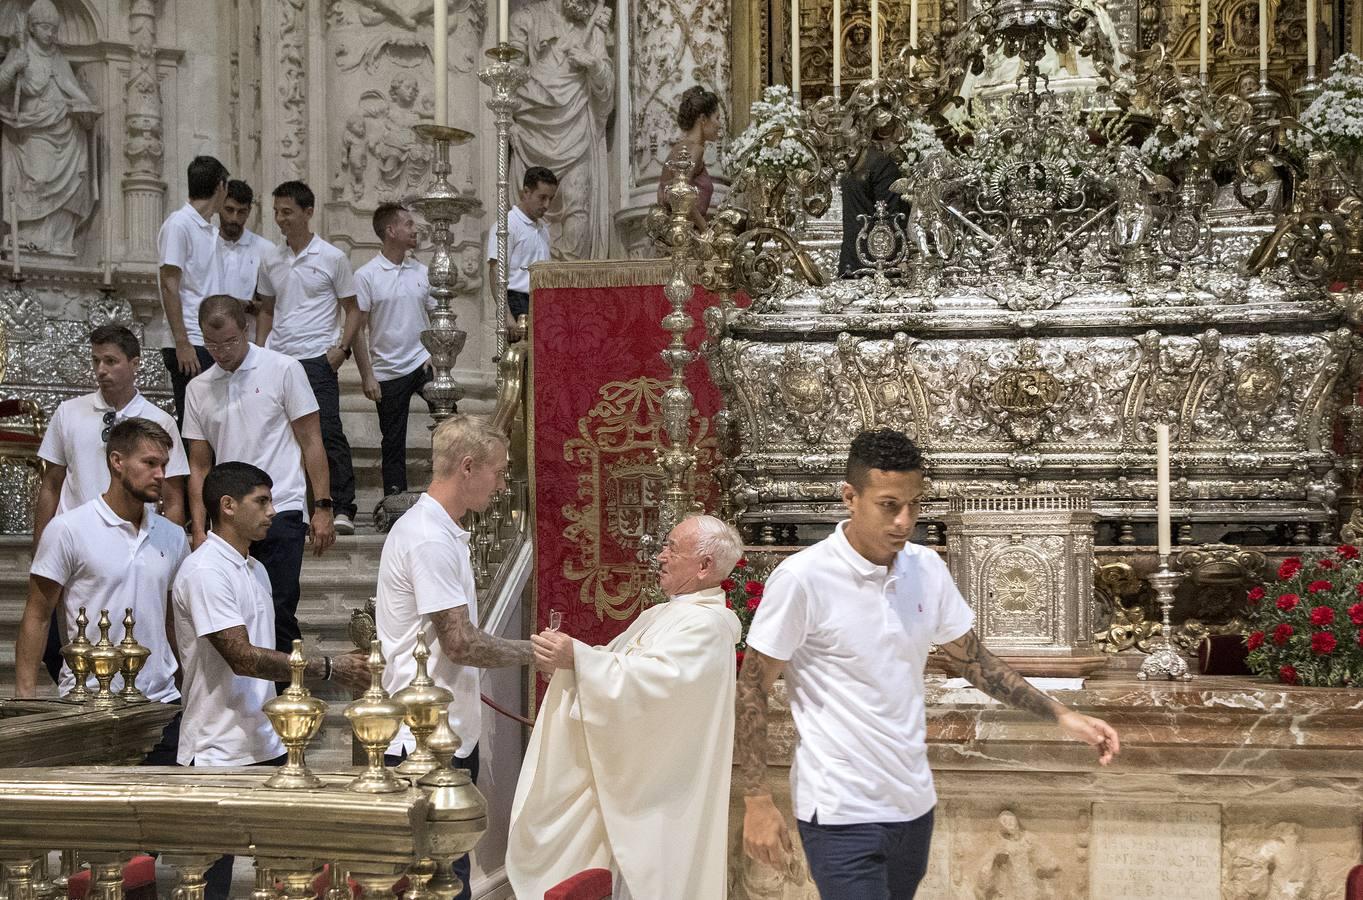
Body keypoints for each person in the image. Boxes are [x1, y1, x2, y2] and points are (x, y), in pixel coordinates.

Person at [737, 428, 1121, 900]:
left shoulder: (927, 568)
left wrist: (1063, 714)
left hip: (912, 803)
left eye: (915, 505)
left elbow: (972, 660)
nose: (904, 521)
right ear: (850, 498)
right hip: (840, 808)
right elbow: (752, 687)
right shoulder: (802, 578)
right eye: (889, 504)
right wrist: (756, 799)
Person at [507, 514, 743, 900]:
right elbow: (615, 661)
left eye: (672, 548)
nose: (661, 556)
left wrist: (579, 661)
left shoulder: (708, 627)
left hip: (661, 795)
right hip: (635, 780)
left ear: (704, 567)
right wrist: (569, 665)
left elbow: (657, 687)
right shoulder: (661, 614)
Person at [173, 460, 367, 900]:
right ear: (227, 506)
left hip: (267, 741)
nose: (272, 511)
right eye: (261, 501)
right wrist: (330, 668)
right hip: (216, 749)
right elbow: (241, 658)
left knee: (290, 873)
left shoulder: (254, 569)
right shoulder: (207, 571)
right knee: (207, 884)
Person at [375, 414, 533, 900]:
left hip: (445, 729)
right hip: (419, 738)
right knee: (437, 878)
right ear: (467, 467)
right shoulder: (428, 537)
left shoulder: (442, 531)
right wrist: (536, 653)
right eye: (499, 472)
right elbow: (460, 642)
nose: (502, 485)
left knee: (448, 868)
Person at [15, 419, 188, 771]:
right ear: (117, 461)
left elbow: (173, 620)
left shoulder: (172, 537)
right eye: (150, 463)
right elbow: (37, 614)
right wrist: (25, 700)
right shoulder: (69, 529)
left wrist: (188, 686)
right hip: (88, 701)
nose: (160, 474)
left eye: (164, 466)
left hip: (160, 703)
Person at [32, 323, 190, 684]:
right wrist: (42, 544)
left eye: (111, 361)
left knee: (141, 632)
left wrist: (173, 551)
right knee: (65, 641)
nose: (101, 370)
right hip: (76, 543)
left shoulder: (159, 419)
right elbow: (51, 484)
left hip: (138, 538)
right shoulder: (69, 412)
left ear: (134, 364)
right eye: (96, 361)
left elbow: (174, 496)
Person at [183, 296, 334, 660]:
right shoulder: (198, 388)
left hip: (278, 508)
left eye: (230, 341)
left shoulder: (282, 369)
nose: (221, 351)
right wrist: (199, 528)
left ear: (246, 329)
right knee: (235, 613)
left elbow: (311, 440)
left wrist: (323, 506)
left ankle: (289, 702)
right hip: (228, 518)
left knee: (278, 609)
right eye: (212, 344)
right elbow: (199, 465)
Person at [255, 180, 367, 535]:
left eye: (287, 212)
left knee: (328, 430)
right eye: (276, 212)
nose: (280, 219)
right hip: (279, 359)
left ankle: (342, 506)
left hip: (317, 357)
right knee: (284, 435)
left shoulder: (332, 257)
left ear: (308, 212)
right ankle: (296, 508)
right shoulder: (271, 258)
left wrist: (341, 350)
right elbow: (266, 311)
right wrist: (259, 354)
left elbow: (353, 309)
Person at [509, 0, 613, 259]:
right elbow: (509, 76)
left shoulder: (593, 24)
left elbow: (607, 88)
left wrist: (593, 63)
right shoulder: (525, 19)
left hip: (576, 122)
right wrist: (508, 121)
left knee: (578, 204)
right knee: (527, 216)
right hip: (532, 125)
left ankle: (570, 287)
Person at [0, 0, 98, 256]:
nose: (51, 34)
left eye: (54, 29)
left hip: (65, 133)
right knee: (39, 179)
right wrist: (11, 68)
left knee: (75, 180)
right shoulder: (20, 52)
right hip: (32, 132)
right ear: (31, 27)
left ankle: (55, 239)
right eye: (45, 28)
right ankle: (27, 236)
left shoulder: (58, 58)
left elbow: (72, 88)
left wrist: (86, 107)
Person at [354, 202, 435, 496]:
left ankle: (444, 491)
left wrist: (435, 356)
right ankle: (395, 505)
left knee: (448, 422)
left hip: (423, 363)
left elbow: (439, 318)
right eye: (409, 224)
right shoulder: (366, 275)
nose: (415, 229)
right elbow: (357, 331)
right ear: (391, 230)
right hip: (387, 370)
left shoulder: (423, 272)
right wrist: (367, 376)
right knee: (392, 441)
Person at [158, 155, 229, 424]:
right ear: (220, 186)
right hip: (190, 342)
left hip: (209, 339)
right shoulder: (179, 224)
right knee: (195, 423)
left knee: (213, 422)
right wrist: (182, 342)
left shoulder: (209, 230)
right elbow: (169, 284)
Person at [486, 167, 556, 328]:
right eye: (542, 197)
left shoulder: (543, 230)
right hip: (518, 302)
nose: (547, 205)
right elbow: (495, 270)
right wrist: (506, 314)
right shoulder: (508, 225)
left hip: (542, 302)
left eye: (550, 199)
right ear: (526, 192)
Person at [656, 86, 722, 231]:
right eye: (717, 118)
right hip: (683, 236)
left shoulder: (680, 148)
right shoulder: (695, 150)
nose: (720, 125)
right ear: (703, 119)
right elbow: (681, 195)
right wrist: (706, 230)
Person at [216, 179, 274, 343]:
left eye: (241, 212)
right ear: (219, 206)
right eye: (229, 210)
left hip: (250, 341)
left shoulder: (266, 250)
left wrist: (246, 306)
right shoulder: (205, 245)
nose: (234, 218)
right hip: (209, 341)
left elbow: (277, 306)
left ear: (249, 212)